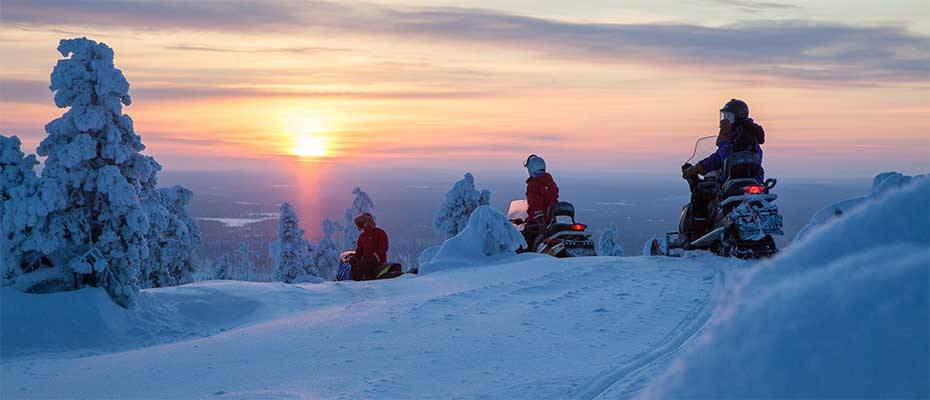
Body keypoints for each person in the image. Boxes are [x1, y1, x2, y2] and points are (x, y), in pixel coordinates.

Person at [682, 98, 766, 229]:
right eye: (724, 115)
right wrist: (699, 167)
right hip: (753, 179)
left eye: (728, 116)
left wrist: (723, 137)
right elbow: (720, 157)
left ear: (737, 116)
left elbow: (726, 157)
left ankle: (698, 229)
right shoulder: (747, 133)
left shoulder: (742, 135)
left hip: (733, 179)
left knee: (700, 191)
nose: (724, 119)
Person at [523, 154, 560, 250]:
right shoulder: (550, 182)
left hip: (538, 223)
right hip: (551, 222)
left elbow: (534, 204)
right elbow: (553, 199)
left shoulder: (533, 185)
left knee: (523, 243)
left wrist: (539, 221)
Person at [350, 213, 389, 281]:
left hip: (379, 263)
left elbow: (383, 248)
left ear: (370, 222)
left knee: (363, 268)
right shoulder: (362, 236)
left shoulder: (380, 233)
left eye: (366, 221)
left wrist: (375, 257)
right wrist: (354, 258)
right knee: (354, 269)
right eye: (363, 222)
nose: (365, 224)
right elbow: (359, 251)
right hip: (365, 263)